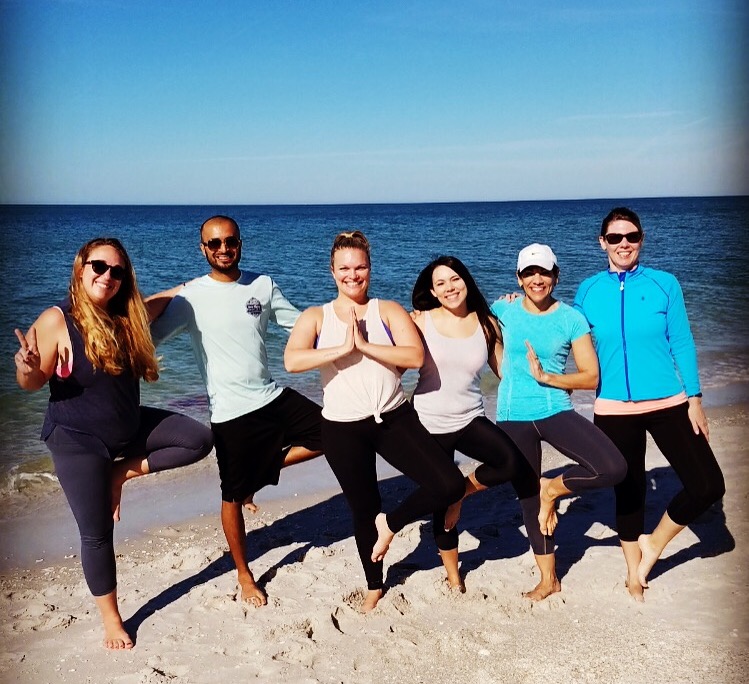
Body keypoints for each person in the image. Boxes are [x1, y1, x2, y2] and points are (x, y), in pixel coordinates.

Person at [14, 237, 214, 650]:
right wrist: (28, 369)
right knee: (97, 532)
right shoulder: (57, 320)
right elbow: (31, 383)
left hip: (127, 428)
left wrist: (204, 283)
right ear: (81, 268)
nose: (108, 276)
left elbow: (168, 298)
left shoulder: (129, 316)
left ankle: (118, 473)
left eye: (117, 271)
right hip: (78, 440)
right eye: (99, 267)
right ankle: (111, 620)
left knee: (197, 439)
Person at [284, 230, 465, 612]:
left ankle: (392, 524)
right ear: (332, 270)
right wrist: (341, 348)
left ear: (370, 268)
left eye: (361, 267)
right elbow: (292, 361)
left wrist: (365, 346)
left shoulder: (388, 310)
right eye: (345, 268)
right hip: (341, 428)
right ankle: (374, 585)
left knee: (449, 484)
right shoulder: (315, 316)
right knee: (363, 507)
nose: (353, 275)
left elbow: (415, 357)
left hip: (394, 418)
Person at [147, 215, 323, 608]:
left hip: (271, 396)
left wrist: (355, 327)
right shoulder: (190, 297)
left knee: (333, 433)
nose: (223, 249)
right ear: (203, 249)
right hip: (229, 414)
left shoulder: (263, 285)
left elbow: (301, 325)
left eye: (230, 242)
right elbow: (149, 337)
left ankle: (262, 470)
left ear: (240, 243)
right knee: (232, 495)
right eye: (214, 244)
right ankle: (244, 574)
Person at [451, 244, 626, 600]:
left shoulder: (571, 319)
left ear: (555, 276)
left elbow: (591, 376)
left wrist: (549, 378)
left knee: (613, 467)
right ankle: (549, 579)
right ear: (519, 278)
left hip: (555, 410)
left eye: (544, 272)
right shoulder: (502, 310)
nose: (537, 279)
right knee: (528, 499)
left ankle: (554, 488)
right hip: (513, 414)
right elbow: (456, 322)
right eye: (529, 273)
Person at [574, 207, 725, 601]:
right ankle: (633, 573)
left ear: (641, 239)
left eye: (632, 236)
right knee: (630, 490)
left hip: (669, 401)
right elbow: (565, 339)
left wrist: (695, 398)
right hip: (612, 407)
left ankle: (655, 544)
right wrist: (507, 308)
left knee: (708, 485)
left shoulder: (664, 284)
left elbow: (683, 342)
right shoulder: (587, 291)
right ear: (601, 243)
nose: (624, 244)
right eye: (615, 238)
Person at [410, 255, 526, 592]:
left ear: (466, 280)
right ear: (431, 291)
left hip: (469, 417)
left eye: (454, 279)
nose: (449, 287)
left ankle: (462, 491)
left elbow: (506, 372)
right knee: (440, 503)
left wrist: (517, 313)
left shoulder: (487, 323)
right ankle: (454, 576)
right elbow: (395, 360)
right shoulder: (420, 322)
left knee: (510, 463)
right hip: (429, 422)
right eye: (441, 283)